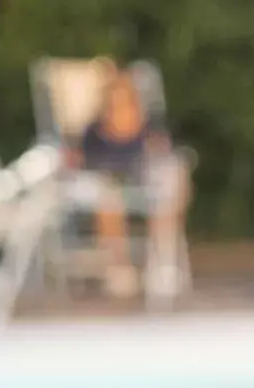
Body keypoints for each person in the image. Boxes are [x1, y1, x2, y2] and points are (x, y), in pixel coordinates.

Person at [66, 59, 187, 301]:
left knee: (170, 183)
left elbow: (162, 155)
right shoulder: (94, 131)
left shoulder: (149, 127)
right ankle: (118, 268)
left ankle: (163, 262)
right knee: (108, 198)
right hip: (110, 184)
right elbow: (80, 161)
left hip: (144, 183)